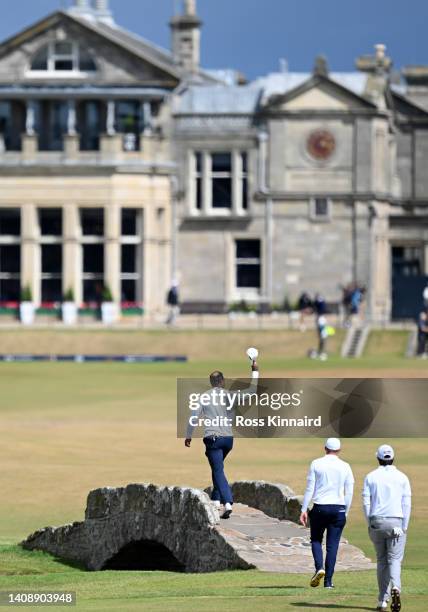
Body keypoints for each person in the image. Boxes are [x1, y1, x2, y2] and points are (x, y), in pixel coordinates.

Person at [184, 357, 259, 519]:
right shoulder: (230, 395)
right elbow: (252, 391)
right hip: (228, 440)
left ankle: (227, 503)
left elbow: (193, 418)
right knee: (217, 467)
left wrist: (188, 436)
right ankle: (216, 501)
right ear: (223, 381)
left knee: (218, 470)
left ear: (211, 383)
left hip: (213, 439)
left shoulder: (203, 397)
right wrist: (255, 371)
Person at [299, 438, 354, 589]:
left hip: (320, 508)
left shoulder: (316, 463)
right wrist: (346, 512)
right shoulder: (345, 466)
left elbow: (310, 488)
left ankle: (319, 568)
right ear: (339, 450)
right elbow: (349, 492)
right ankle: (328, 582)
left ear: (325, 448)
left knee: (316, 540)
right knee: (333, 545)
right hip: (338, 509)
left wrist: (304, 509)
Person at [362, 444, 412, 612]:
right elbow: (406, 503)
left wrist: (369, 523)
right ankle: (396, 588)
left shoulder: (370, 476)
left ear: (378, 457)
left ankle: (382, 601)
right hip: (396, 522)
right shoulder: (402, 477)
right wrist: (404, 527)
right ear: (393, 458)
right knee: (394, 560)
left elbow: (366, 502)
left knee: (382, 561)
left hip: (376, 521)